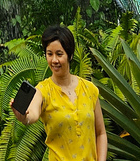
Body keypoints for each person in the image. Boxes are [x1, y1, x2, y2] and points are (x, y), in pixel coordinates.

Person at [10, 24, 106, 161]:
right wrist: (25, 118)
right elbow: (33, 114)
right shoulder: (43, 90)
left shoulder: (89, 89)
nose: (54, 60)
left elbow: (101, 133)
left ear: (70, 55)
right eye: (50, 54)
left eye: (59, 54)